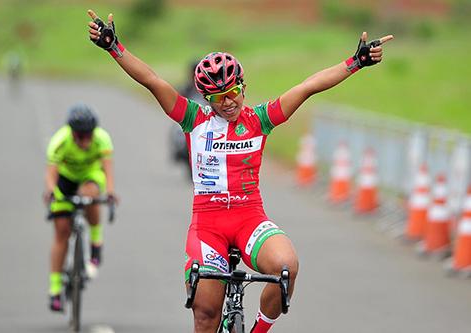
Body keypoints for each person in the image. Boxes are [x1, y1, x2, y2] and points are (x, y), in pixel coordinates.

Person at [87, 9, 393, 333]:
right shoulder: (194, 119)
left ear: (242, 85)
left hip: (249, 219)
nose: (228, 102)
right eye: (218, 97)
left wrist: (356, 62)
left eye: (233, 91)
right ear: (207, 99)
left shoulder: (260, 119)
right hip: (208, 227)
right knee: (206, 313)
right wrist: (114, 47)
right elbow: (151, 80)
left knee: (287, 268)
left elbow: (308, 87)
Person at [43, 103, 117, 312]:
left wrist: (110, 193)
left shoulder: (102, 139)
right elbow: (51, 175)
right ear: (73, 133)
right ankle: (55, 289)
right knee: (61, 231)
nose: (85, 141)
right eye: (80, 136)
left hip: (90, 176)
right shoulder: (60, 141)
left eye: (88, 136)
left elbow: (108, 171)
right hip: (65, 179)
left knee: (89, 196)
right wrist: (50, 193)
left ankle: (96, 242)